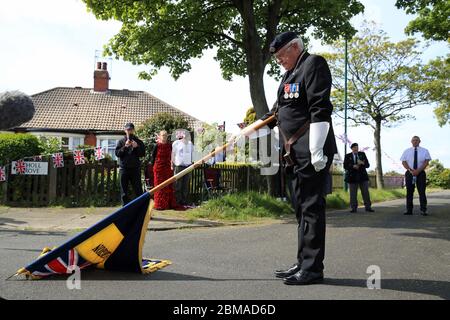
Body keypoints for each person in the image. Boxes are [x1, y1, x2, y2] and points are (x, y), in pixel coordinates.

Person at [247, 31, 337, 285]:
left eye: (280, 56)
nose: (278, 62)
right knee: (300, 209)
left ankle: (312, 269)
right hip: (293, 154)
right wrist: (249, 129)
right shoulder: (288, 75)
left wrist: (317, 148)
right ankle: (303, 262)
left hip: (310, 149)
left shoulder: (313, 64)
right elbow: (277, 113)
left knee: (311, 209)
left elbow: (320, 106)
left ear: (295, 47)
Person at [115, 122, 145, 206]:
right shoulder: (121, 141)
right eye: (128, 130)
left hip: (135, 169)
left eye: (131, 130)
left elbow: (142, 154)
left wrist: (137, 147)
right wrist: (125, 147)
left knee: (138, 190)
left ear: (133, 130)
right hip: (124, 169)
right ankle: (124, 209)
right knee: (124, 191)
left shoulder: (138, 141)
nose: (129, 131)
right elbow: (117, 153)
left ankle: (141, 208)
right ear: (125, 131)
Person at [400, 136, 431, 215]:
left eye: (417, 140)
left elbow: (426, 162)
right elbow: (404, 162)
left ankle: (423, 210)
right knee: (409, 192)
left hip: (420, 173)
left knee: (422, 191)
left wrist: (418, 171)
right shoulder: (406, 151)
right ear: (411, 141)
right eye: (413, 140)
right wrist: (411, 170)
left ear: (419, 141)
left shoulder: (425, 151)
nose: (415, 142)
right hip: (410, 173)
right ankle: (409, 210)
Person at [151, 130, 179, 210]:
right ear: (159, 136)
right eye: (163, 135)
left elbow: (173, 156)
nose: (164, 137)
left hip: (167, 168)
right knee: (159, 186)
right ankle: (159, 204)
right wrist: (153, 167)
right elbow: (153, 157)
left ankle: (168, 204)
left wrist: (172, 165)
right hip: (158, 169)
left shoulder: (170, 146)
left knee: (168, 185)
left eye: (166, 135)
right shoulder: (156, 146)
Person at [343, 143, 374, 213]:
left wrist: (362, 163)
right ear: (352, 148)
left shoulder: (362, 154)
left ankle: (368, 207)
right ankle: (353, 208)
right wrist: (352, 166)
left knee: (365, 192)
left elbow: (367, 165)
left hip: (362, 176)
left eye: (357, 147)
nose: (356, 149)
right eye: (354, 147)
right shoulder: (347, 156)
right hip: (352, 177)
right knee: (353, 193)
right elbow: (345, 166)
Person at [172, 131, 193, 205]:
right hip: (179, 166)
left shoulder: (190, 144)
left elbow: (192, 154)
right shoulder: (176, 143)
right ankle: (177, 201)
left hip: (188, 166)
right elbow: (173, 154)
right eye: (185, 135)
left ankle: (184, 201)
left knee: (186, 184)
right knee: (178, 184)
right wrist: (172, 164)